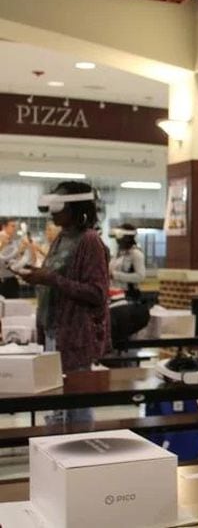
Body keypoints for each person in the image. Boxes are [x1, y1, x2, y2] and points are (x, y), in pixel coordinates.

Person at [18, 181, 110, 422]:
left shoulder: (89, 241)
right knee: (56, 401)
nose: (53, 213)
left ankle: (80, 454)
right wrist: (36, 277)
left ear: (74, 208)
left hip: (75, 337)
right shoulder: (62, 238)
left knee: (76, 405)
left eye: (58, 207)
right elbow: (55, 280)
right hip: (52, 332)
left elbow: (97, 293)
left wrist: (50, 279)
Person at [108, 223, 146, 300]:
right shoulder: (117, 254)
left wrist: (115, 275)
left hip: (129, 295)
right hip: (115, 293)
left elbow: (140, 277)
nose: (117, 239)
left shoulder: (136, 254)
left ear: (128, 238)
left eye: (119, 236)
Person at [0, 217, 21, 298]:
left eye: (15, 226)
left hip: (11, 279)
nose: (14, 228)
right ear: (4, 227)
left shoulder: (13, 242)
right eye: (12, 226)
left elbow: (16, 259)